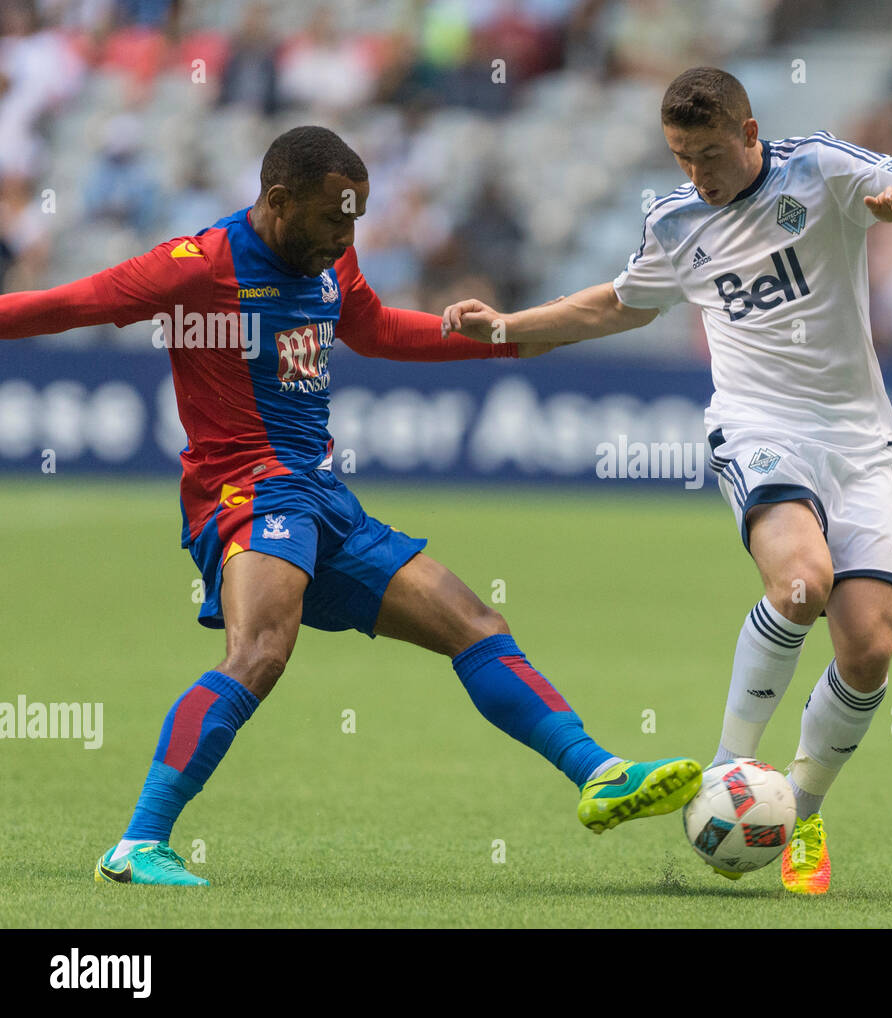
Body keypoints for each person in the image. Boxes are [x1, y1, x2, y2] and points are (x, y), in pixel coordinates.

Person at [0, 125, 702, 886]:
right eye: (334, 219)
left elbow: (371, 329)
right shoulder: (199, 267)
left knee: (475, 624)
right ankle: (138, 845)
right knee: (260, 652)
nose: (346, 234)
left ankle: (599, 773)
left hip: (324, 499)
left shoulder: (333, 252)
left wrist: (495, 338)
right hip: (248, 493)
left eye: (356, 218)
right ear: (278, 201)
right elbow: (64, 306)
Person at [442, 68, 892, 895]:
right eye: (681, 157)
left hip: (863, 443)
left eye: (709, 155)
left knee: (868, 646)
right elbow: (616, 305)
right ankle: (731, 768)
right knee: (802, 584)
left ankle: (798, 807)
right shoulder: (676, 219)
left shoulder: (822, 170)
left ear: (750, 131)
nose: (697, 174)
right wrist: (511, 327)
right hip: (760, 428)